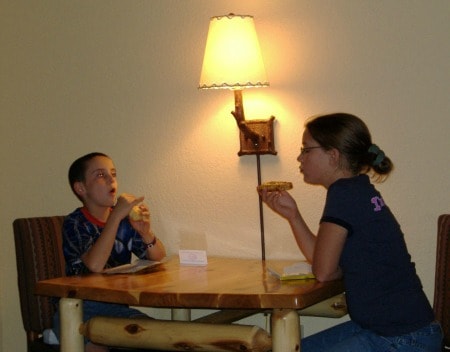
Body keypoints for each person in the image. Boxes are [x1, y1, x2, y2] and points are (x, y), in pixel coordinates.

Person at [260, 113, 442, 351]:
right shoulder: (359, 191)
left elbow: (324, 271)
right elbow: (329, 265)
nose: (299, 157)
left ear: (333, 156)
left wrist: (333, 269)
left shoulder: (344, 194)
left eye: (306, 150)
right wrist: (293, 216)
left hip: (401, 339)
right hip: (407, 331)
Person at [53, 152, 166, 352]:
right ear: (81, 188)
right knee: (99, 343)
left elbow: (158, 257)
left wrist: (145, 232)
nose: (110, 179)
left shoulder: (123, 221)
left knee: (157, 336)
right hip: (80, 308)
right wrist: (116, 218)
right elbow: (94, 265)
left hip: (116, 308)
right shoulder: (75, 223)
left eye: (113, 174)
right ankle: (58, 335)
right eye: (100, 175)